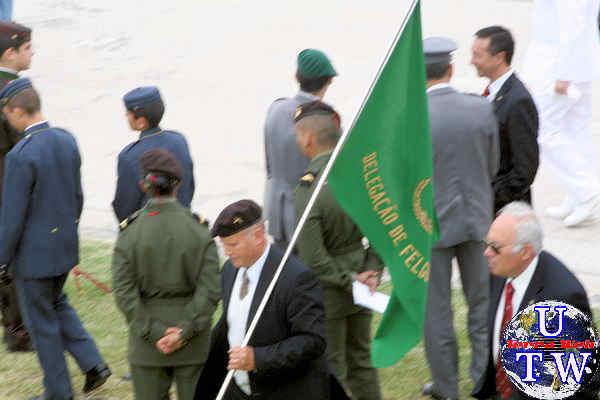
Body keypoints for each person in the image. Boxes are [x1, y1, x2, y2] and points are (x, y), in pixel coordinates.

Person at [0, 78, 110, 400]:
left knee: (41, 325)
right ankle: (94, 365)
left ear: (17, 111)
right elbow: (77, 197)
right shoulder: (66, 139)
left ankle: (58, 392)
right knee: (57, 304)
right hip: (63, 247)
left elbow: (12, 216)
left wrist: (2, 259)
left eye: (6, 114)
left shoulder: (21, 154)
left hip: (34, 258)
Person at [195, 199, 342, 400]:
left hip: (282, 391)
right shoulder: (229, 270)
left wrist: (257, 358)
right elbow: (233, 320)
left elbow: (313, 341)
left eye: (233, 244)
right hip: (237, 390)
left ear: (257, 236)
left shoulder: (296, 278)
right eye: (223, 245)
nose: (227, 252)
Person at [422, 37, 500, 400]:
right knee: (482, 307)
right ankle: (484, 382)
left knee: (436, 313)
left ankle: (446, 387)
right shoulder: (480, 108)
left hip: (431, 225)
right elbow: (492, 165)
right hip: (477, 218)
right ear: (451, 69)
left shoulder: (413, 116)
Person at [112, 148, 220, 400]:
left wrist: (154, 332)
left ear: (144, 185)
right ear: (177, 184)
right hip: (193, 343)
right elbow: (210, 290)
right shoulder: (199, 230)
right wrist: (184, 331)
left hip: (147, 345)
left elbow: (124, 292)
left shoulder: (130, 232)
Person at [294, 100, 383, 400]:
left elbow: (313, 257)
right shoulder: (361, 178)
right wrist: (370, 272)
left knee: (332, 369)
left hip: (329, 291)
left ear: (307, 138)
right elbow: (381, 233)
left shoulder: (309, 189)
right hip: (363, 280)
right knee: (362, 361)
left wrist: (349, 280)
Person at [472, 202, 596, 399]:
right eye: (487, 243)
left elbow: (579, 385)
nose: (487, 252)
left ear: (525, 252)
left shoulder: (563, 298)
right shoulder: (500, 269)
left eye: (495, 247)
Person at [522, 0, 600, 227]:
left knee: (544, 130)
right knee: (574, 131)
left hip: (558, 65)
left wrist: (564, 74)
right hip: (573, 62)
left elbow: (573, 24)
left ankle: (587, 192)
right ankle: (577, 195)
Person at [264, 48, 337, 251]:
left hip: (278, 216)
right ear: (329, 81)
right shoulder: (327, 120)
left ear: (296, 77)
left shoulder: (275, 109)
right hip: (308, 219)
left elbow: (270, 168)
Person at [471, 26, 539, 213]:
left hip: (504, 211)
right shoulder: (494, 92)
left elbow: (524, 171)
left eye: (477, 55)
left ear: (499, 57)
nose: (472, 61)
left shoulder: (519, 101)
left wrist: (488, 197)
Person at [112, 86, 195, 223]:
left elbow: (124, 208)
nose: (126, 116)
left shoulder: (128, 156)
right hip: (184, 223)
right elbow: (189, 188)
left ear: (141, 122)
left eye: (128, 113)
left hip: (149, 229)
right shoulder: (180, 140)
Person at [0, 20, 33, 353]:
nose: (32, 53)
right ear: (10, 53)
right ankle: (19, 332)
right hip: (8, 185)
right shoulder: (14, 92)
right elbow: (24, 145)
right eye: (27, 48)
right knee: (13, 260)